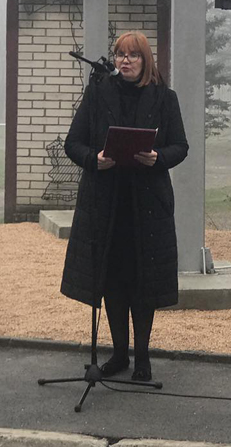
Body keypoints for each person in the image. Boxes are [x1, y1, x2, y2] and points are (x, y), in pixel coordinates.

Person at [61, 30, 188, 380]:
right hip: (107, 201)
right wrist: (93, 158)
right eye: (120, 55)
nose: (125, 61)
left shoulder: (165, 97)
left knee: (142, 281)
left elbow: (181, 146)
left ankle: (143, 357)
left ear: (146, 61)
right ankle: (119, 354)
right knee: (113, 280)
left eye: (133, 55)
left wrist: (157, 157)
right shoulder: (99, 93)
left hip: (146, 203)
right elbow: (73, 142)